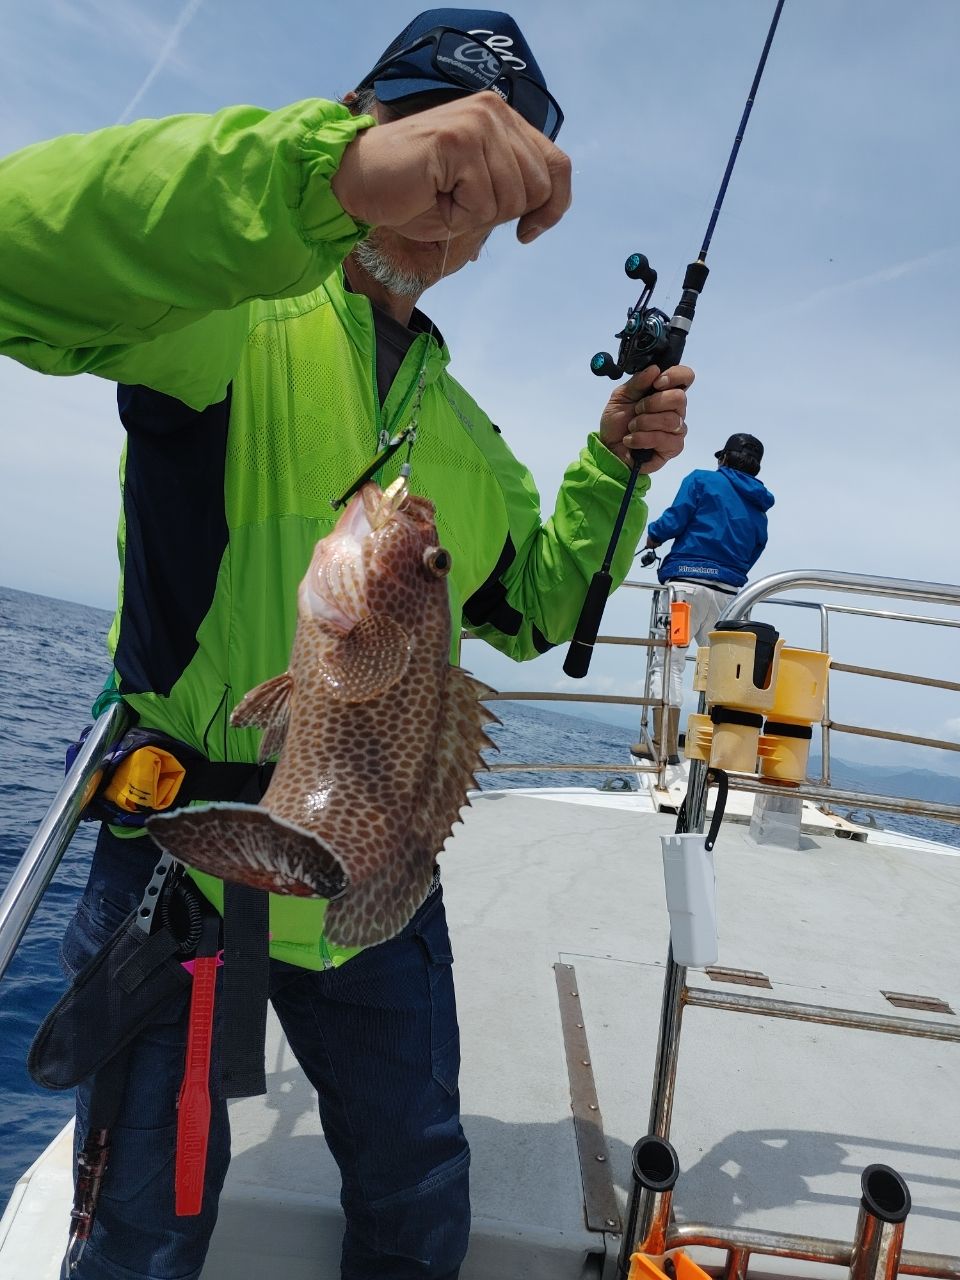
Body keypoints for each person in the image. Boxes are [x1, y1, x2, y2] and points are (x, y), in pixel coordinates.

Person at [0, 10, 694, 1279]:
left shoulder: (468, 443)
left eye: (484, 187)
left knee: (420, 1176)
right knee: (146, 1229)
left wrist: (612, 462)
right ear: (362, 118)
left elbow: (537, 605)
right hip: (192, 867)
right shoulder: (224, 314)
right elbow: (14, 254)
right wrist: (310, 177)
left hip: (381, 898)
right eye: (437, 144)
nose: (450, 204)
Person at [636, 432, 773, 764]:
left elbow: (675, 518)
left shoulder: (701, 481)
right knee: (720, 674)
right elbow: (756, 548)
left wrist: (653, 537)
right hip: (728, 601)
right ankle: (720, 752)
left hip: (685, 592)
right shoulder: (759, 509)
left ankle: (664, 745)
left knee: (670, 663)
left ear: (723, 458)